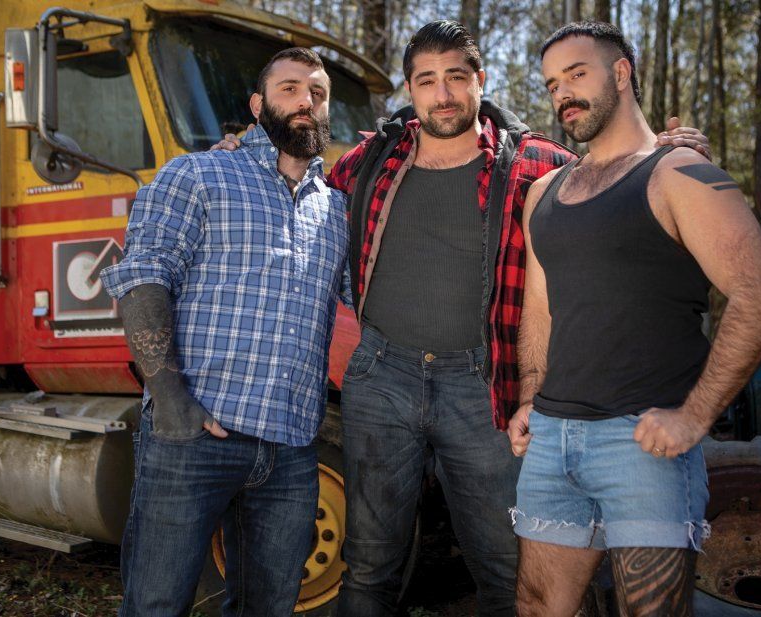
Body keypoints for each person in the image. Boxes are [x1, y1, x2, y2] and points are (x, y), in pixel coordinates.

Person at [212, 21, 709, 616]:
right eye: (426, 81)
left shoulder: (536, 164)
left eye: (455, 77)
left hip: (483, 384)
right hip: (381, 377)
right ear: (410, 90)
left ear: (480, 80)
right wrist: (245, 149)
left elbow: (613, 173)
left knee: (503, 563)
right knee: (369, 564)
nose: (442, 94)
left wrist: (664, 153)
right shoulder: (373, 160)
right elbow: (296, 177)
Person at [506, 22, 761, 617]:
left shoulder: (680, 172)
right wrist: (530, 396)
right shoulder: (544, 192)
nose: (563, 93)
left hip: (642, 444)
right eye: (553, 84)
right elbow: (539, 309)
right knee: (536, 606)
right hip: (552, 439)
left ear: (621, 73)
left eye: (577, 74)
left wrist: (694, 416)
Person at [100, 47, 351, 616]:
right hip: (196, 436)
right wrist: (170, 400)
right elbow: (143, 278)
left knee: (268, 607)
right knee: (156, 604)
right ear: (258, 106)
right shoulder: (199, 174)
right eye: (289, 89)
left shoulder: (336, 210)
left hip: (290, 449)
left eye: (317, 92)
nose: (306, 101)